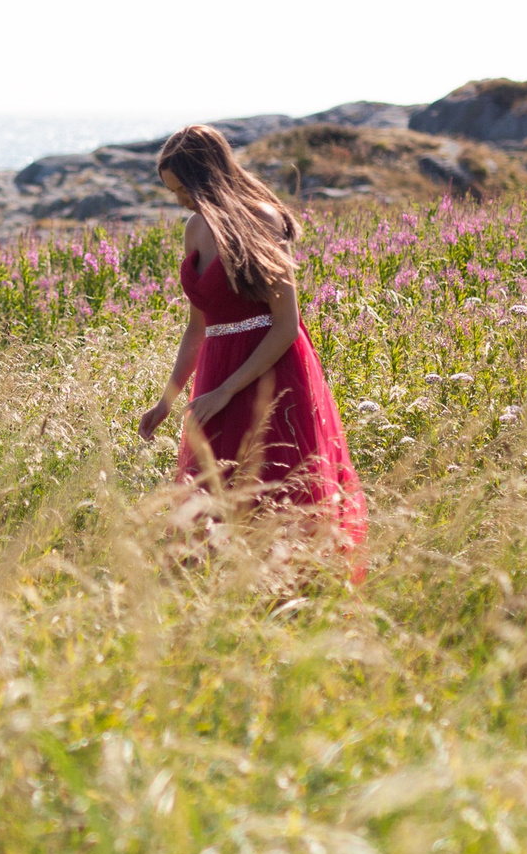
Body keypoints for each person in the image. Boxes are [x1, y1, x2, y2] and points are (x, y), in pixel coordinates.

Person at [136, 124, 366, 566]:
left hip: (268, 370)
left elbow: (286, 325)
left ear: (205, 175)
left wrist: (227, 390)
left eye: (184, 189)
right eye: (173, 192)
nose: (180, 200)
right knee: (214, 494)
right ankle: (221, 600)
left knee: (276, 488)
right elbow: (197, 327)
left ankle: (291, 596)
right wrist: (167, 400)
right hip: (217, 371)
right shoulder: (194, 228)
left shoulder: (264, 220)